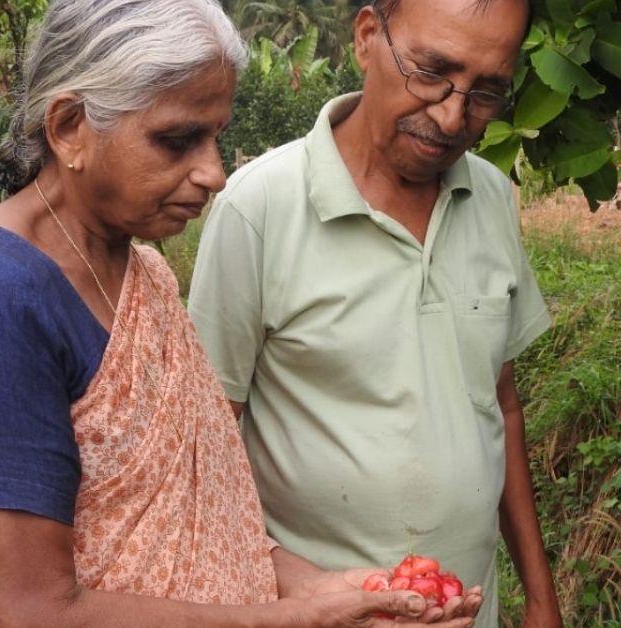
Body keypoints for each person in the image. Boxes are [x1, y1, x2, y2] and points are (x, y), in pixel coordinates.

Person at [0, 0, 483, 626]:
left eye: (215, 137)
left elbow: (197, 519)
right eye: (177, 140)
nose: (215, 173)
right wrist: (279, 621)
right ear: (69, 126)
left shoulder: (140, 268)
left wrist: (314, 589)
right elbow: (26, 612)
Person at [187, 0, 562, 626]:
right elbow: (201, 451)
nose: (452, 115)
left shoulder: (492, 198)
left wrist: (542, 600)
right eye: (431, 70)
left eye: (485, 92)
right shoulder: (259, 211)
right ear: (366, 38)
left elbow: (501, 405)